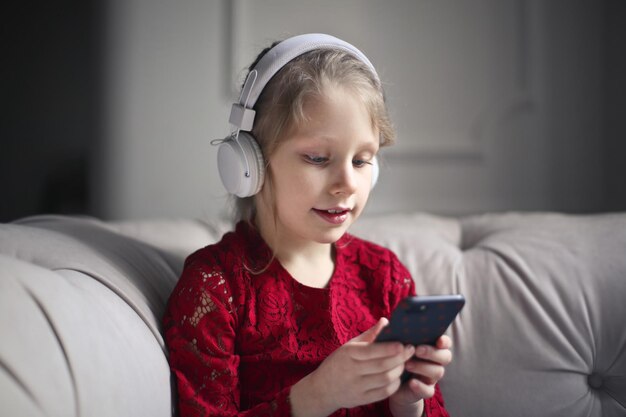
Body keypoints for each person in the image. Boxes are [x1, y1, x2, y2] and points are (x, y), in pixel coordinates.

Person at [163, 33, 453, 417]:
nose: (347, 183)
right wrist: (317, 395)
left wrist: (409, 403)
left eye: (362, 160)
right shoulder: (216, 287)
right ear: (250, 164)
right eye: (318, 158)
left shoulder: (385, 277)